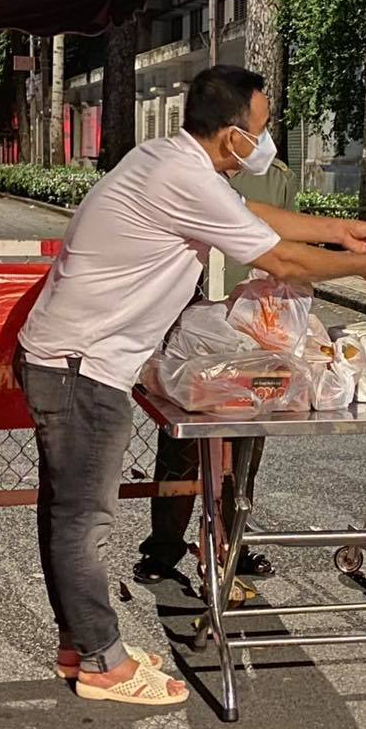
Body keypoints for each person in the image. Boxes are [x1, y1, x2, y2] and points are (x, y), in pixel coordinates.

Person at [16, 65, 366, 707]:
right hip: (83, 366)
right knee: (83, 519)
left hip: (73, 360)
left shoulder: (170, 160)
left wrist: (336, 229)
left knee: (69, 512)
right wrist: (362, 265)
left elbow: (250, 214)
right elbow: (277, 258)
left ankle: (79, 641)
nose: (266, 139)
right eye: (261, 129)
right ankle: (103, 663)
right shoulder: (183, 176)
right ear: (232, 138)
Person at [133, 154, 305, 592]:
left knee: (247, 443)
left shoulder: (276, 177)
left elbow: (285, 239)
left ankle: (233, 543)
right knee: (182, 443)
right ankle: (164, 546)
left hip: (253, 329)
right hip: (194, 324)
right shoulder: (187, 170)